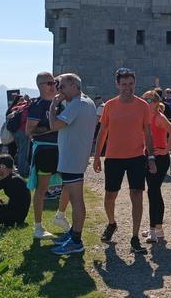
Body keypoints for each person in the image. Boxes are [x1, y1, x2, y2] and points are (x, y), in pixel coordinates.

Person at [93, 68, 157, 254]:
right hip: (113, 157)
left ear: (135, 84)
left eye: (131, 84)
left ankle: (135, 237)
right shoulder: (110, 105)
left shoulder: (142, 105)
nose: (127, 88)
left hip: (136, 157)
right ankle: (112, 223)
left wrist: (151, 157)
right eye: (124, 84)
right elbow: (102, 132)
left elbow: (147, 133)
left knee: (136, 195)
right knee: (110, 196)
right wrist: (97, 156)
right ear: (117, 84)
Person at [47, 73, 98, 255]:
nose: (58, 90)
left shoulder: (77, 104)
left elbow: (54, 125)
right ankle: (72, 234)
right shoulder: (86, 101)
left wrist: (53, 105)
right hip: (76, 157)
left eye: (61, 86)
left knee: (77, 201)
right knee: (74, 198)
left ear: (74, 86)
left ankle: (76, 241)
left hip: (72, 159)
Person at [26, 72, 71, 238]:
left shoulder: (60, 104)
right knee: (42, 189)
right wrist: (53, 127)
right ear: (40, 86)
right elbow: (29, 131)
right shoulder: (37, 105)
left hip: (61, 148)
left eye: (54, 83)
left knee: (70, 183)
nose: (54, 86)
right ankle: (38, 227)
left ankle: (60, 216)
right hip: (45, 150)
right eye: (49, 83)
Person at [140, 90, 171, 243]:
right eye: (144, 100)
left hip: (159, 158)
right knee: (154, 192)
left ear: (156, 103)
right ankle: (157, 228)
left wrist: (166, 150)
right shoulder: (145, 117)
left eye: (148, 100)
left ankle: (153, 230)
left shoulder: (159, 117)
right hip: (148, 156)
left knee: (153, 192)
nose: (145, 102)